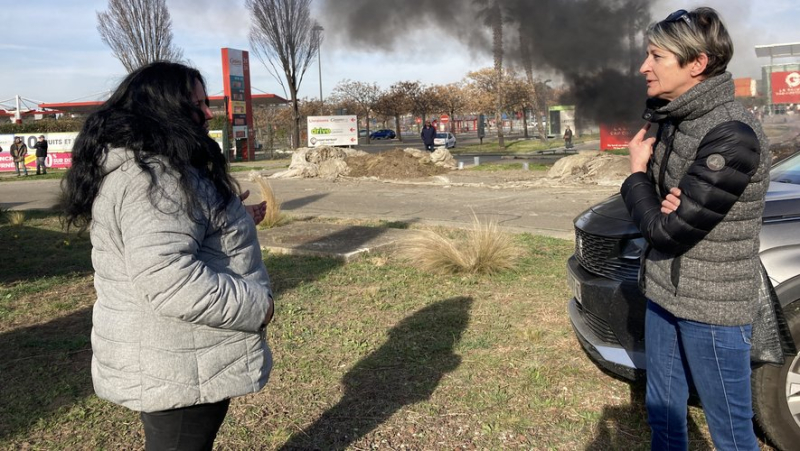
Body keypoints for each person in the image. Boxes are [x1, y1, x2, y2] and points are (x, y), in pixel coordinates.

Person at [61, 61, 274, 450]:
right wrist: (259, 306)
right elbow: (170, 279)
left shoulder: (153, 168)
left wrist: (231, 220)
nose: (209, 113)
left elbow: (172, 239)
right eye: (197, 104)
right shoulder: (156, 179)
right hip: (177, 360)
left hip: (178, 353)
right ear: (162, 109)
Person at [620, 8, 771, 450]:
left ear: (697, 64)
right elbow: (661, 214)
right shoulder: (675, 119)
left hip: (712, 309)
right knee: (664, 417)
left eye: (656, 56)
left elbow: (667, 232)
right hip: (664, 292)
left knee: (731, 435)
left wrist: (635, 175)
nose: (643, 67)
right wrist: (658, 199)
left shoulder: (732, 137)